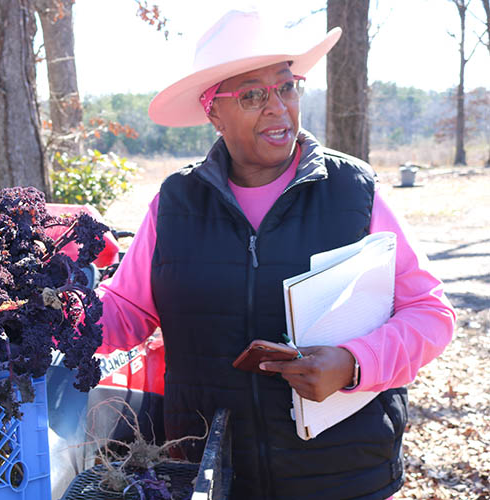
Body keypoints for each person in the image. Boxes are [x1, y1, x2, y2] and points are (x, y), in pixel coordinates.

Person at [96, 9, 455, 500]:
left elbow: (430, 314)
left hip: (344, 475)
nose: (277, 107)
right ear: (213, 112)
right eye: (252, 94)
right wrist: (42, 309)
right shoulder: (176, 203)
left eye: (287, 87)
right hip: (215, 473)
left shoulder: (353, 191)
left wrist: (353, 363)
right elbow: (125, 312)